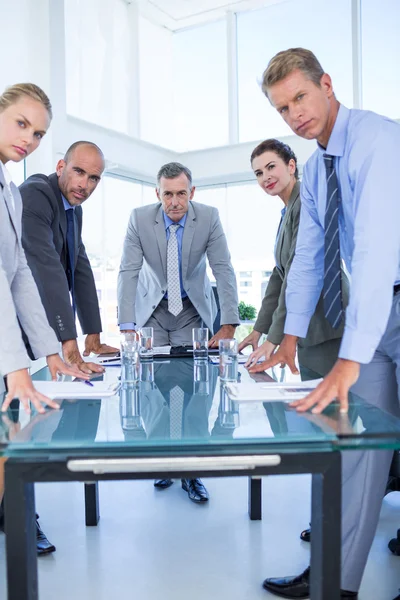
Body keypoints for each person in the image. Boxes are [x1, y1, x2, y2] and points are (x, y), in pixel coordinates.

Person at [254, 48, 400, 600]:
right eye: (282, 108)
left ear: (327, 85)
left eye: (300, 97)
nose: (294, 114)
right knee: (358, 449)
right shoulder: (316, 169)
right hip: (376, 315)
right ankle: (336, 582)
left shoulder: (377, 142)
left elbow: (378, 247)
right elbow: (310, 257)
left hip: (390, 304)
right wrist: (289, 337)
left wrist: (348, 357)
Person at [0, 83, 88, 554]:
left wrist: (50, 353)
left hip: (5, 340)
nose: (29, 139)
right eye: (21, 124)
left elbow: (19, 282)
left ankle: (15, 515)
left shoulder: (11, 193)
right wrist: (16, 366)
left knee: (10, 439)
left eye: (38, 133)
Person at [238, 138, 347, 382]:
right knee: (316, 409)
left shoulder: (304, 205)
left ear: (291, 166)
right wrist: (259, 330)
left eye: (271, 167)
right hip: (309, 327)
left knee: (331, 409)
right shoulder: (288, 210)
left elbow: (297, 275)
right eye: (258, 172)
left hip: (327, 323)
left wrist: (273, 339)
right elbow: (279, 275)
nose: (265, 176)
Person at [19, 141, 118, 374]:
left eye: (93, 178)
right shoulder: (36, 193)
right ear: (61, 166)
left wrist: (93, 334)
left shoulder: (74, 209)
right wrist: (69, 344)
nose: (84, 185)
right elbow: (46, 267)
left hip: (33, 330)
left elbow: (80, 269)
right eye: (79, 171)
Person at [118, 162, 239, 347]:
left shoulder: (209, 217)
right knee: (152, 367)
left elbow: (223, 269)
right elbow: (128, 271)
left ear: (191, 192)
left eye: (181, 193)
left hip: (190, 307)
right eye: (168, 194)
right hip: (152, 307)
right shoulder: (139, 219)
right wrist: (127, 325)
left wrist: (229, 325)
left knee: (188, 366)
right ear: (158, 193)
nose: (174, 203)